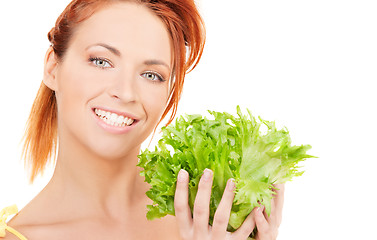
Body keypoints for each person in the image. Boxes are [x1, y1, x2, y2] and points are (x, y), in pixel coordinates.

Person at [0, 0, 284, 239]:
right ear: (52, 68)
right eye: (101, 61)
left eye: (152, 75)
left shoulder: (211, 218)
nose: (125, 93)